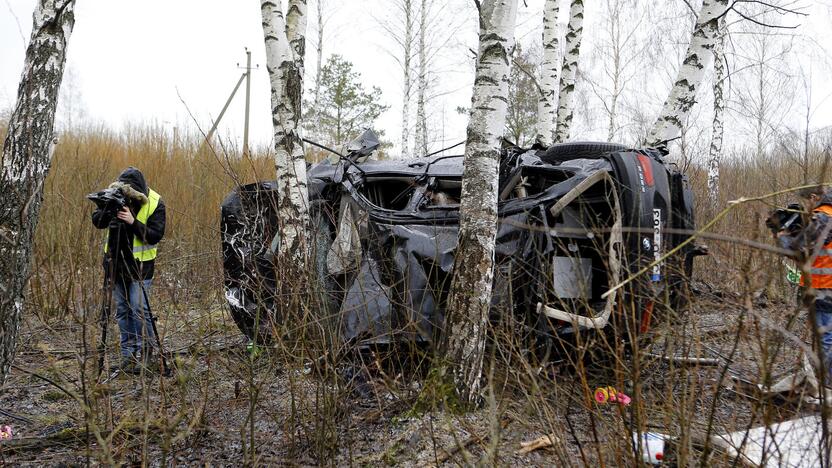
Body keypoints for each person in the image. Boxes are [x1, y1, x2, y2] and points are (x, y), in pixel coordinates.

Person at [92, 167, 166, 374]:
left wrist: (133, 222)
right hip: (115, 264)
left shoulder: (155, 203)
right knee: (123, 310)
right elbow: (98, 222)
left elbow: (154, 236)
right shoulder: (115, 196)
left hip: (141, 267)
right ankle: (129, 357)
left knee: (139, 309)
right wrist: (107, 209)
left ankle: (150, 356)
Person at [777, 186, 832, 383]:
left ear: (815, 197)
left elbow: (796, 249)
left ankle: (828, 384)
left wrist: (782, 234)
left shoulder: (823, 218)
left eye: (808, 201)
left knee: (826, 337)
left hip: (824, 286)